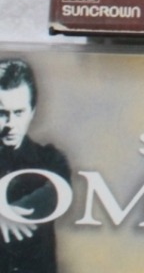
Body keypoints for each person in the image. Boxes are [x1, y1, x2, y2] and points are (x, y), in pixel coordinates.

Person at [0, 59, 70, 273]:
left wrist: (6, 213)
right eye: (2, 113)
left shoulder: (51, 160)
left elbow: (51, 195)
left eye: (18, 112)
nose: (10, 124)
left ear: (32, 111)